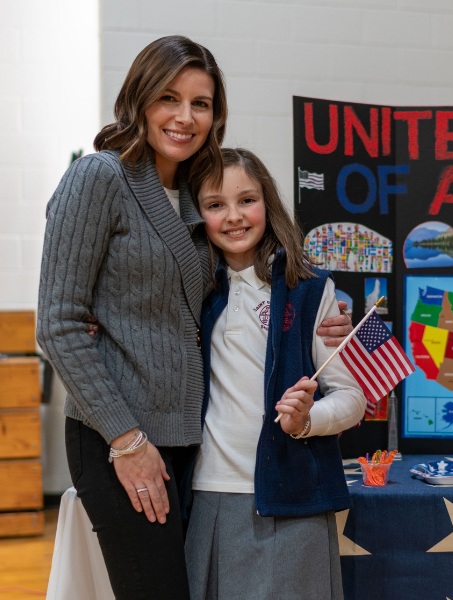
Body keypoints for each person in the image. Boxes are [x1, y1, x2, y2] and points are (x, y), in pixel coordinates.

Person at [35, 36, 350, 599]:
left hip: (184, 442)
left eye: (200, 103)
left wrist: (321, 316)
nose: (184, 117)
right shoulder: (100, 177)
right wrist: (127, 443)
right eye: (168, 98)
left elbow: (227, 288)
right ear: (138, 100)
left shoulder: (190, 194)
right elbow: (58, 324)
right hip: (121, 436)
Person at [184, 147, 366, 599]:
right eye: (214, 205)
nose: (234, 216)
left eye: (247, 199)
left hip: (293, 497)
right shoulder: (189, 288)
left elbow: (351, 396)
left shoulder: (309, 289)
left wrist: (307, 420)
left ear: (268, 202)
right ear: (196, 214)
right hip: (208, 492)